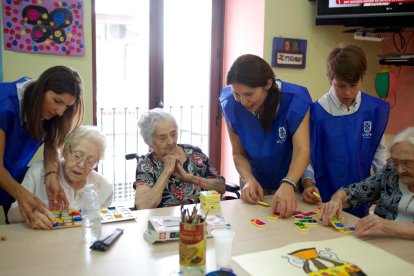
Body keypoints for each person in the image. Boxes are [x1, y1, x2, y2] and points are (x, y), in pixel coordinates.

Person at [302, 44, 390, 218]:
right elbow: (307, 156)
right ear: (330, 79)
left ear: (362, 77)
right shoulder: (314, 112)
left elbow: (379, 152)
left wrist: (384, 187)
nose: (348, 92)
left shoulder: (374, 110)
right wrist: (307, 183)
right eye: (340, 86)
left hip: (360, 199)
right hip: (322, 198)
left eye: (353, 84)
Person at [220, 54, 312, 218]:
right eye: (237, 94)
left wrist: (289, 183)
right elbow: (238, 153)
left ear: (268, 84)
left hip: (289, 180)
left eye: (249, 94)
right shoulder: (229, 104)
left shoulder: (295, 100)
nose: (243, 101)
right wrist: (248, 179)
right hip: (253, 183)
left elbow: (302, 150)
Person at [0, 66, 84, 227]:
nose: (60, 112)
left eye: (66, 107)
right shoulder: (4, 103)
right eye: (57, 101)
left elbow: (51, 145)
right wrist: (22, 195)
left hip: (12, 178)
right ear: (41, 88)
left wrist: (51, 174)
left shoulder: (51, 113)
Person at [7, 125, 113, 229]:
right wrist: (32, 213)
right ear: (66, 151)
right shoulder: (38, 173)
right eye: (77, 156)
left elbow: (104, 227)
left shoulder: (104, 187)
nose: (81, 165)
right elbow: (11, 216)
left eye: (90, 161)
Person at [319, 127, 414, 240]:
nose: (400, 170)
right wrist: (336, 200)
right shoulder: (390, 171)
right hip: (380, 245)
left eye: (408, 163)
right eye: (395, 162)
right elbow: (356, 191)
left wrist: (387, 225)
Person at [134, 108, 226, 209]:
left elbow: (221, 187)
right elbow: (142, 206)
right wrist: (166, 172)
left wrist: (190, 178)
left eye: (173, 134)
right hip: (165, 222)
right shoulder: (146, 165)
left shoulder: (194, 154)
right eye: (162, 138)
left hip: (202, 217)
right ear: (150, 142)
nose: (171, 141)